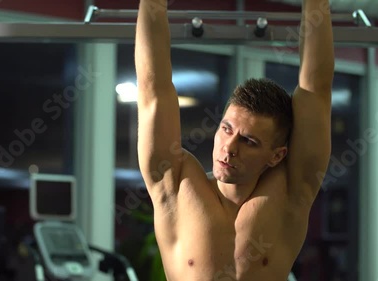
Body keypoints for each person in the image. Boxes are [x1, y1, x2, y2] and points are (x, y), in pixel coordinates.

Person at [134, 0, 334, 279]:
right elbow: (152, 87)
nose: (228, 148)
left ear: (277, 155)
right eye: (226, 129)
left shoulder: (290, 194)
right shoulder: (176, 186)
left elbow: (317, 87)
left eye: (248, 142)